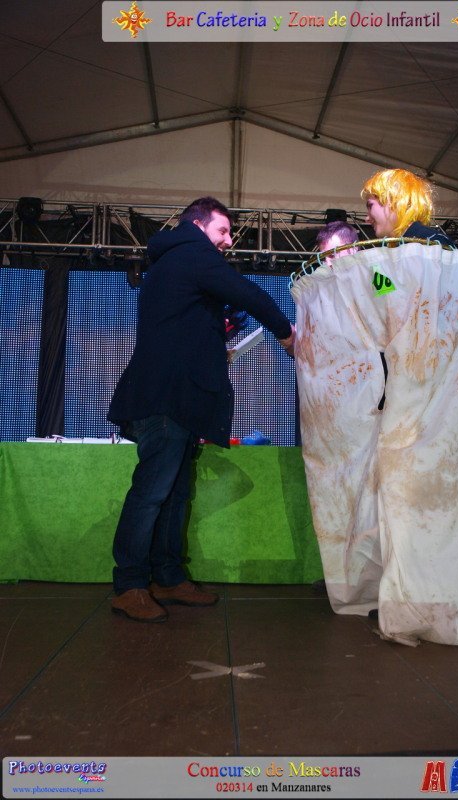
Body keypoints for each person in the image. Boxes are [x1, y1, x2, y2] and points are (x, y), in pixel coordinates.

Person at [292, 167, 458, 646]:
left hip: (429, 403)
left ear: (396, 202)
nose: (368, 216)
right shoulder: (410, 256)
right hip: (420, 399)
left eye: (372, 205)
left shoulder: (425, 252)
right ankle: (414, 597)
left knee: (419, 499)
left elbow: (420, 317)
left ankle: (425, 601)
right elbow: (393, 305)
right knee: (413, 501)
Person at [108, 196, 295, 623]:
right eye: (222, 231)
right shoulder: (192, 252)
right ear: (197, 226)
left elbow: (183, 327)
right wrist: (286, 334)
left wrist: (215, 337)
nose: (228, 241)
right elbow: (249, 294)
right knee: (152, 493)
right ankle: (130, 585)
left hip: (176, 398)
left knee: (174, 494)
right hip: (166, 398)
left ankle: (168, 577)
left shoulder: (173, 262)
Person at [362, 167, 452, 245]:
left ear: (394, 200)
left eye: (370, 206)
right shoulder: (398, 246)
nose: (367, 219)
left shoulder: (433, 242)